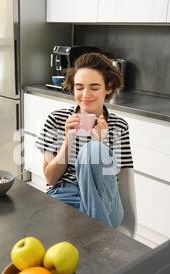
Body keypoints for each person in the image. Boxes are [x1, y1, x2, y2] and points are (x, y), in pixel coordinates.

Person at [36, 53, 133, 228]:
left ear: (108, 88)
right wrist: (68, 140)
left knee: (92, 150)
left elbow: (114, 180)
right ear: (73, 88)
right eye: (79, 87)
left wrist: (100, 144)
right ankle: (100, 237)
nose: (85, 95)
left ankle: (94, 234)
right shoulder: (56, 120)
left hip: (106, 199)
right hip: (65, 194)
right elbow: (50, 179)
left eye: (94, 88)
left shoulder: (118, 126)